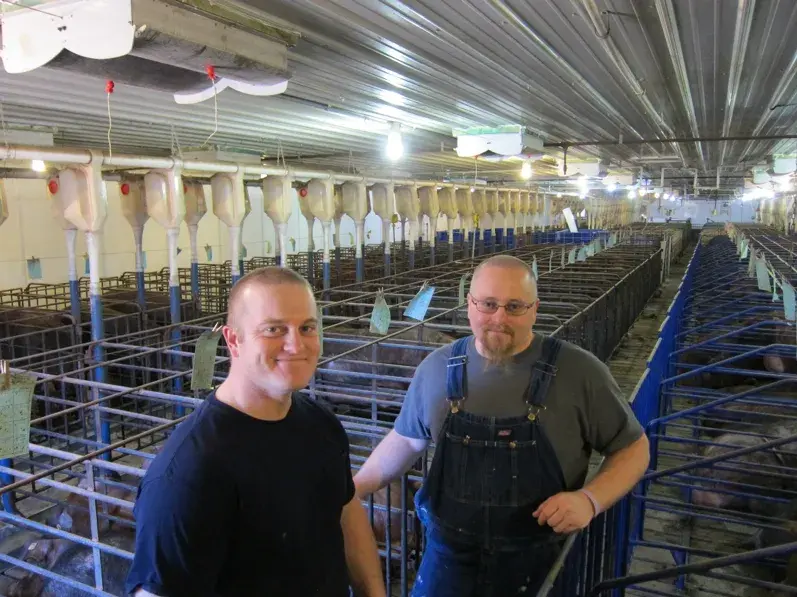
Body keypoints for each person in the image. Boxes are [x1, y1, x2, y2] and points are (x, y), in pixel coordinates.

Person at [353, 254, 650, 596]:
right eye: (488, 304)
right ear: (469, 305)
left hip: (539, 561)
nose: (499, 318)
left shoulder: (579, 372)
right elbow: (406, 441)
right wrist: (355, 488)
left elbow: (633, 447)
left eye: (514, 307)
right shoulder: (436, 368)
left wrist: (590, 500)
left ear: (534, 309)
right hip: (448, 559)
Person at [125, 266, 386, 597]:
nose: (297, 345)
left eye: (307, 327)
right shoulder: (189, 473)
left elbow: (346, 510)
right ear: (233, 340)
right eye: (274, 329)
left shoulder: (321, 425)